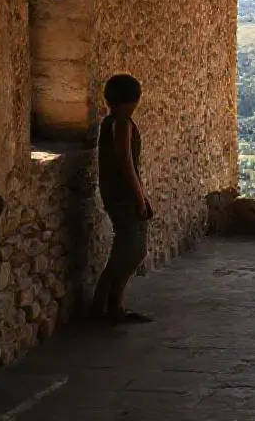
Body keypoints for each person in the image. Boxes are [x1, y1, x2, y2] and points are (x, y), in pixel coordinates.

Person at [91, 73, 154, 324]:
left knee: (127, 248)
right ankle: (108, 306)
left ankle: (108, 306)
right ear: (134, 98)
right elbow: (126, 162)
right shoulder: (122, 123)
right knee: (131, 249)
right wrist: (140, 197)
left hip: (119, 192)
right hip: (123, 194)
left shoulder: (113, 121)